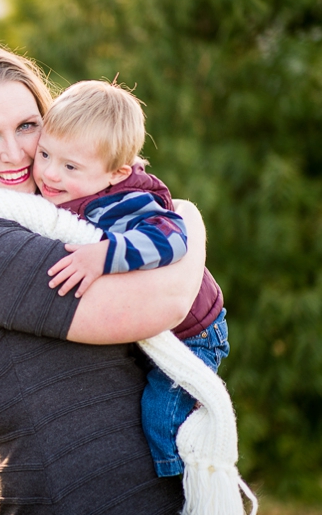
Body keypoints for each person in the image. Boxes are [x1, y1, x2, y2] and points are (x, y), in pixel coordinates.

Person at [0, 44, 253, 515]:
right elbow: (165, 303)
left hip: (122, 513)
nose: (16, 153)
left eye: (28, 127)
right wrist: (190, 221)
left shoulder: (49, 222)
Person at [31, 79, 230, 479]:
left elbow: (172, 238)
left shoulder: (127, 200)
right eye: (45, 154)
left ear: (117, 172)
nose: (50, 173)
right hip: (152, 326)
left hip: (195, 334)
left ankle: (186, 487)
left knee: (160, 417)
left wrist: (104, 256)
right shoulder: (69, 191)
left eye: (70, 166)